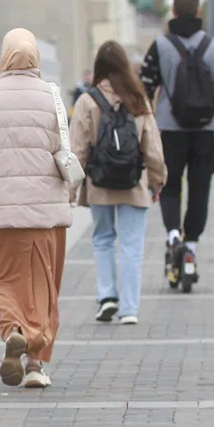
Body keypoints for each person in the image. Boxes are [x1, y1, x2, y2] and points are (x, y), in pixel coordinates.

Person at [0, 29, 74, 389]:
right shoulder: (53, 96)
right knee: (43, 288)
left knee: (0, 281)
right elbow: (65, 145)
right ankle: (35, 364)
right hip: (45, 213)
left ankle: (14, 330)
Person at [139, 0, 214, 288]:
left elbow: (145, 85)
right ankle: (190, 249)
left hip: (169, 130)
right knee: (200, 188)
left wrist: (153, 121)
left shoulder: (161, 45)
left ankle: (173, 235)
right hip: (204, 132)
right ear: (198, 12)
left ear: (175, 13)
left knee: (168, 186)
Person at [69, 41, 167, 325]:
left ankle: (107, 297)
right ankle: (130, 309)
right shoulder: (139, 99)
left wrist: (72, 188)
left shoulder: (87, 101)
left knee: (102, 240)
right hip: (134, 183)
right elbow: (153, 149)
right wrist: (157, 181)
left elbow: (78, 150)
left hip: (100, 184)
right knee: (131, 245)